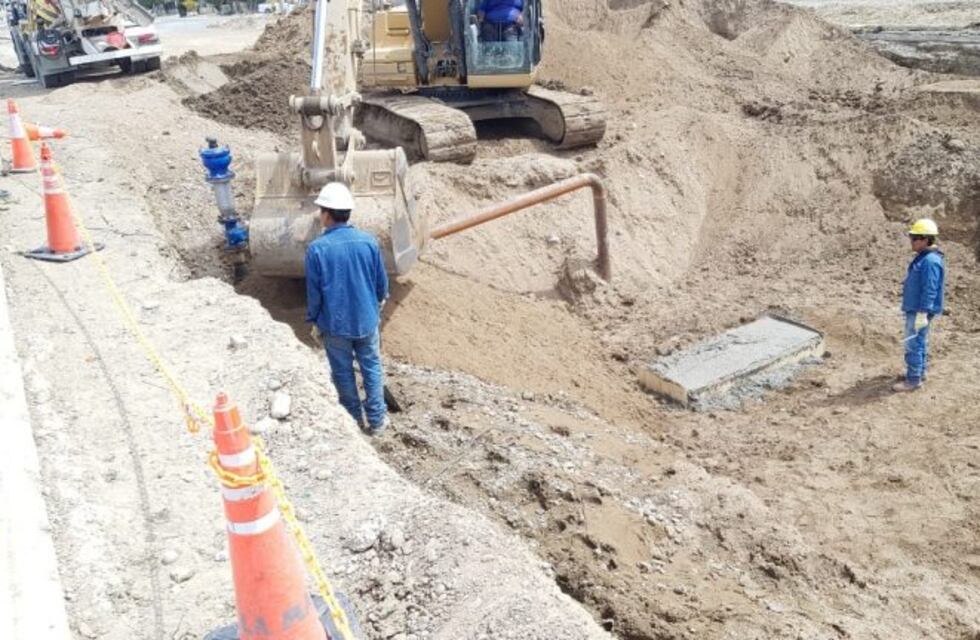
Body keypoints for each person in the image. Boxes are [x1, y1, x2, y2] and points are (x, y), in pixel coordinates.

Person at [305, 182, 390, 435]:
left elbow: (314, 293)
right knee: (372, 367)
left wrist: (314, 320)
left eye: (321, 210)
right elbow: (381, 285)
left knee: (342, 373)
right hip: (366, 321)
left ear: (327, 214)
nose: (320, 215)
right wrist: (375, 306)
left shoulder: (317, 249)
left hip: (335, 325)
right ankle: (377, 421)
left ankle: (353, 421)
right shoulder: (368, 242)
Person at [892, 218, 945, 393]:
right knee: (919, 340)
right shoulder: (924, 258)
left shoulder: (930, 261)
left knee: (913, 343)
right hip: (916, 308)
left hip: (919, 309)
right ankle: (917, 373)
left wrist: (923, 312)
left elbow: (930, 289)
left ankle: (913, 380)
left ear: (925, 239)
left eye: (914, 238)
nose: (911, 242)